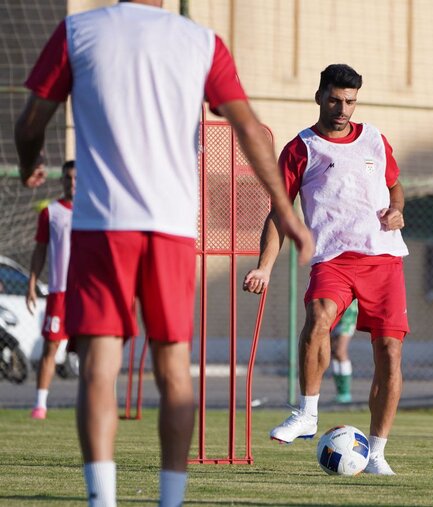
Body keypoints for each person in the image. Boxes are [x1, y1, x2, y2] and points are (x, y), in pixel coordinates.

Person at [14, 2, 313, 506]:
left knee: (98, 369)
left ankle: (101, 499)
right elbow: (248, 128)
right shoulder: (201, 42)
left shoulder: (77, 32)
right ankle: (169, 501)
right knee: (174, 369)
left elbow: (29, 124)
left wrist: (29, 165)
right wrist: (286, 211)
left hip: (102, 225)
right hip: (171, 229)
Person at [243, 63, 409, 475]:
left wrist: (398, 209)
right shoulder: (301, 148)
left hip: (383, 257)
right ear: (319, 96)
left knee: (388, 353)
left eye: (350, 101)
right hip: (333, 259)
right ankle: (308, 413)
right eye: (335, 99)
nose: (342, 108)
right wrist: (264, 266)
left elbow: (394, 185)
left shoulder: (373, 139)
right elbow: (279, 214)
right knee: (318, 317)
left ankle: (378, 452)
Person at [27, 159, 76, 420]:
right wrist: (32, 283)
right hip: (59, 291)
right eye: (68, 178)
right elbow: (40, 250)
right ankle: (40, 405)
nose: (72, 183)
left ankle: (93, 401)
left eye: (77, 178)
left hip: (86, 292)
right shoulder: (51, 212)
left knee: (93, 350)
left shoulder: (94, 209)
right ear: (62, 180)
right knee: (51, 347)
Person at [330, 299, 358, 403]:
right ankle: (340, 391)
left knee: (339, 350)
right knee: (333, 352)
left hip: (348, 314)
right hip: (333, 310)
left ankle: (345, 393)